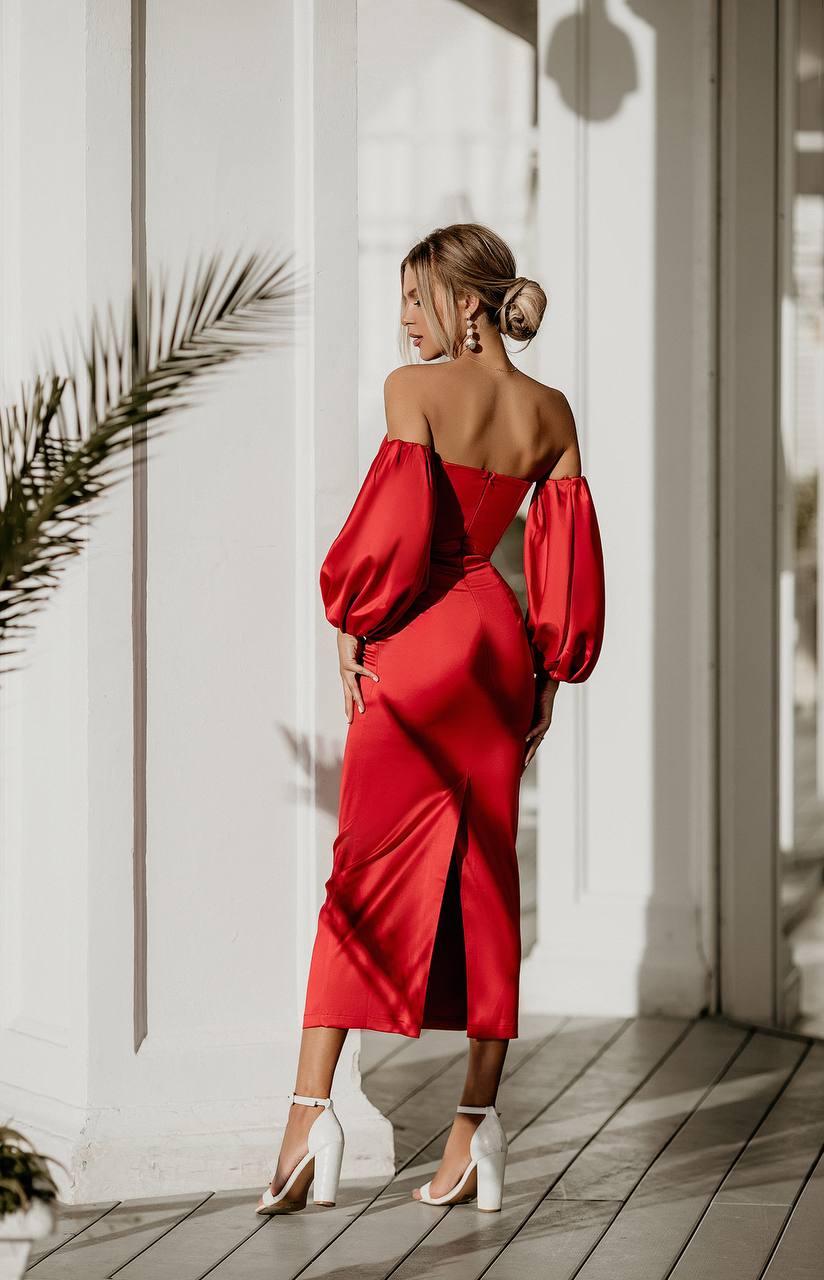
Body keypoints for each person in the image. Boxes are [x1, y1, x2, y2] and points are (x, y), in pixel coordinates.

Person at [257, 223, 606, 1216]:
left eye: (415, 298)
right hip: (500, 652)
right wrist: (548, 667)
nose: (404, 319)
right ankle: (473, 1133)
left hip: (417, 647)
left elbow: (398, 535)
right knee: (489, 881)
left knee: (361, 875)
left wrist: (349, 623)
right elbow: (566, 553)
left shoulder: (412, 392)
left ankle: (304, 1117)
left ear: (463, 301)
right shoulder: (550, 410)